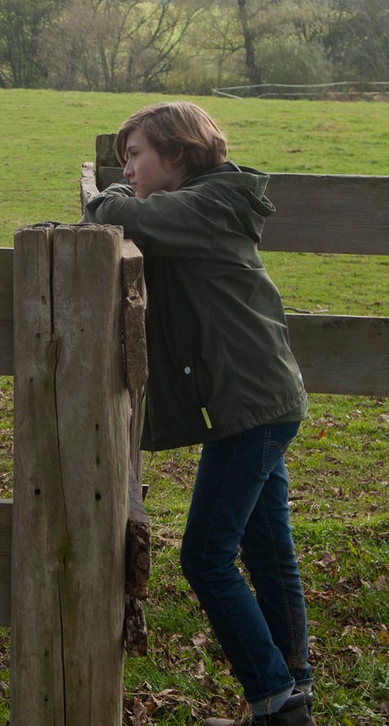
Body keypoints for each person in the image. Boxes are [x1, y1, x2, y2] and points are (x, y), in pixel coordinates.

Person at [82, 102, 315, 726]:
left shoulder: (208, 205)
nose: (126, 169)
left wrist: (102, 200)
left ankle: (273, 697)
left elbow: (130, 214)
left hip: (252, 408)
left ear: (177, 155)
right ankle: (291, 695)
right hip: (257, 402)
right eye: (123, 157)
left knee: (205, 558)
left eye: (136, 156)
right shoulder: (202, 204)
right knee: (268, 552)